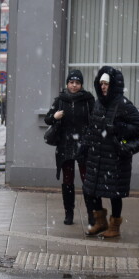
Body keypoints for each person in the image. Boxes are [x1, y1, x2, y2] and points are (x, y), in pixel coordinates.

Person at [83, 67, 139, 238]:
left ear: (114, 85)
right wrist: (85, 146)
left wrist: (120, 128)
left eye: (107, 83)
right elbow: (92, 127)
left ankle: (114, 226)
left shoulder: (123, 104)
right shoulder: (98, 103)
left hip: (115, 158)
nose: (103, 87)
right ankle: (100, 222)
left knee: (114, 194)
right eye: (101, 83)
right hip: (96, 157)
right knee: (92, 191)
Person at [44, 69, 98, 227]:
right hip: (65, 145)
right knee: (67, 181)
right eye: (71, 82)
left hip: (84, 145)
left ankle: (91, 214)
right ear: (67, 83)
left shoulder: (88, 100)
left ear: (81, 84)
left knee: (87, 181)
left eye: (77, 83)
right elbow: (48, 119)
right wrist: (55, 117)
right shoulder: (60, 100)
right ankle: (69, 213)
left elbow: (95, 120)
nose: (74, 85)